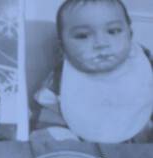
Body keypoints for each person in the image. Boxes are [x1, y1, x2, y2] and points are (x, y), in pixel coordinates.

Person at [33, 0, 153, 144]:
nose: (101, 43)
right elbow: (48, 121)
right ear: (62, 47)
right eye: (83, 36)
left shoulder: (145, 65)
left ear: (130, 35)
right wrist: (64, 141)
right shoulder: (59, 79)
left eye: (113, 31)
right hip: (87, 155)